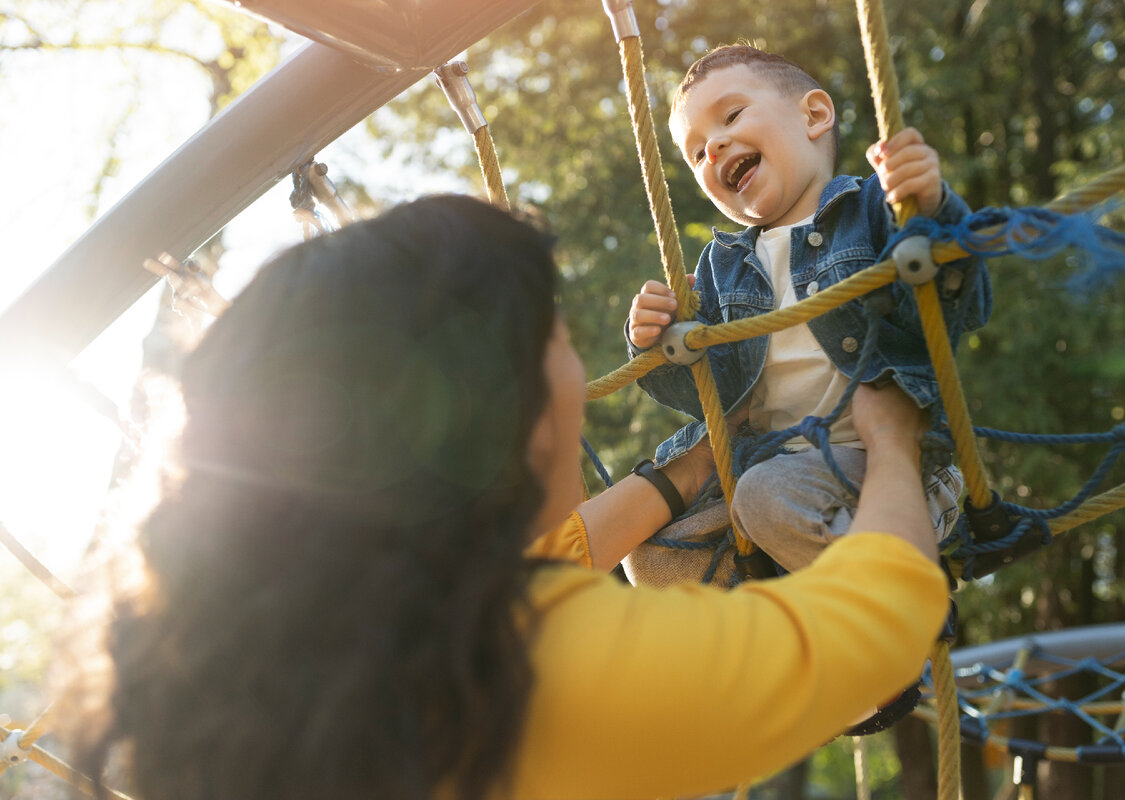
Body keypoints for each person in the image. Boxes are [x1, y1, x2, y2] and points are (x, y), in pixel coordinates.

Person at [75, 195, 949, 800]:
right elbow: (879, 620)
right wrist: (894, 442)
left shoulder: (258, 666)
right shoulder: (536, 666)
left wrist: (688, 473)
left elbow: (560, 551)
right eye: (563, 344)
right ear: (508, 414)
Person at [624, 45, 992, 585]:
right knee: (650, 555)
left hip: (882, 461)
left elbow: (960, 306)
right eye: (697, 153)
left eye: (730, 116)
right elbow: (710, 396)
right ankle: (806, 627)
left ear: (814, 116)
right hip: (778, 470)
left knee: (765, 496)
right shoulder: (720, 268)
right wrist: (656, 342)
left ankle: (890, 608)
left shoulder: (871, 210)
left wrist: (932, 211)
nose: (716, 146)